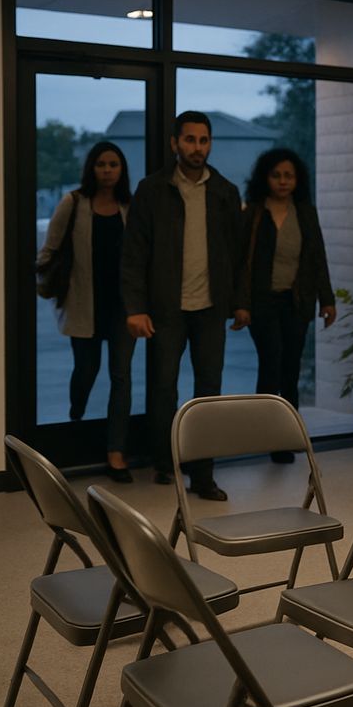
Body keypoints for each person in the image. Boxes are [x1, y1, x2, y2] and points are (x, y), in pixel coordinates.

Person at [121, 110, 244, 501]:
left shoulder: (225, 191)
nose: (197, 148)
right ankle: (165, 462)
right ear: (175, 143)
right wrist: (135, 307)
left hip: (211, 308)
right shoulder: (152, 190)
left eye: (203, 140)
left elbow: (238, 254)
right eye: (190, 140)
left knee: (209, 393)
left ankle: (203, 475)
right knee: (163, 389)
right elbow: (133, 254)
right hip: (165, 309)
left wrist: (241, 303)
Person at [37, 142, 137, 482]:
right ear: (91, 168)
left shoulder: (129, 205)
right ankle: (76, 415)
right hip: (84, 302)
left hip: (122, 306)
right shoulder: (74, 202)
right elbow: (49, 249)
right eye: (101, 164)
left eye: (113, 164)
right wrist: (46, 286)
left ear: (121, 169)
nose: (107, 170)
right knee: (86, 370)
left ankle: (116, 452)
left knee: (121, 377)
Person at [237, 148, 336, 463]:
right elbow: (241, 263)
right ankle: (267, 435)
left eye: (288, 176)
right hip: (262, 302)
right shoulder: (252, 213)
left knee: (291, 368)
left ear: (297, 180)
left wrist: (327, 299)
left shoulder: (305, 212)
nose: (283, 181)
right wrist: (240, 304)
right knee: (271, 364)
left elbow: (318, 258)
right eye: (276, 175)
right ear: (265, 178)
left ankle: (289, 435)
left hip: (297, 302)